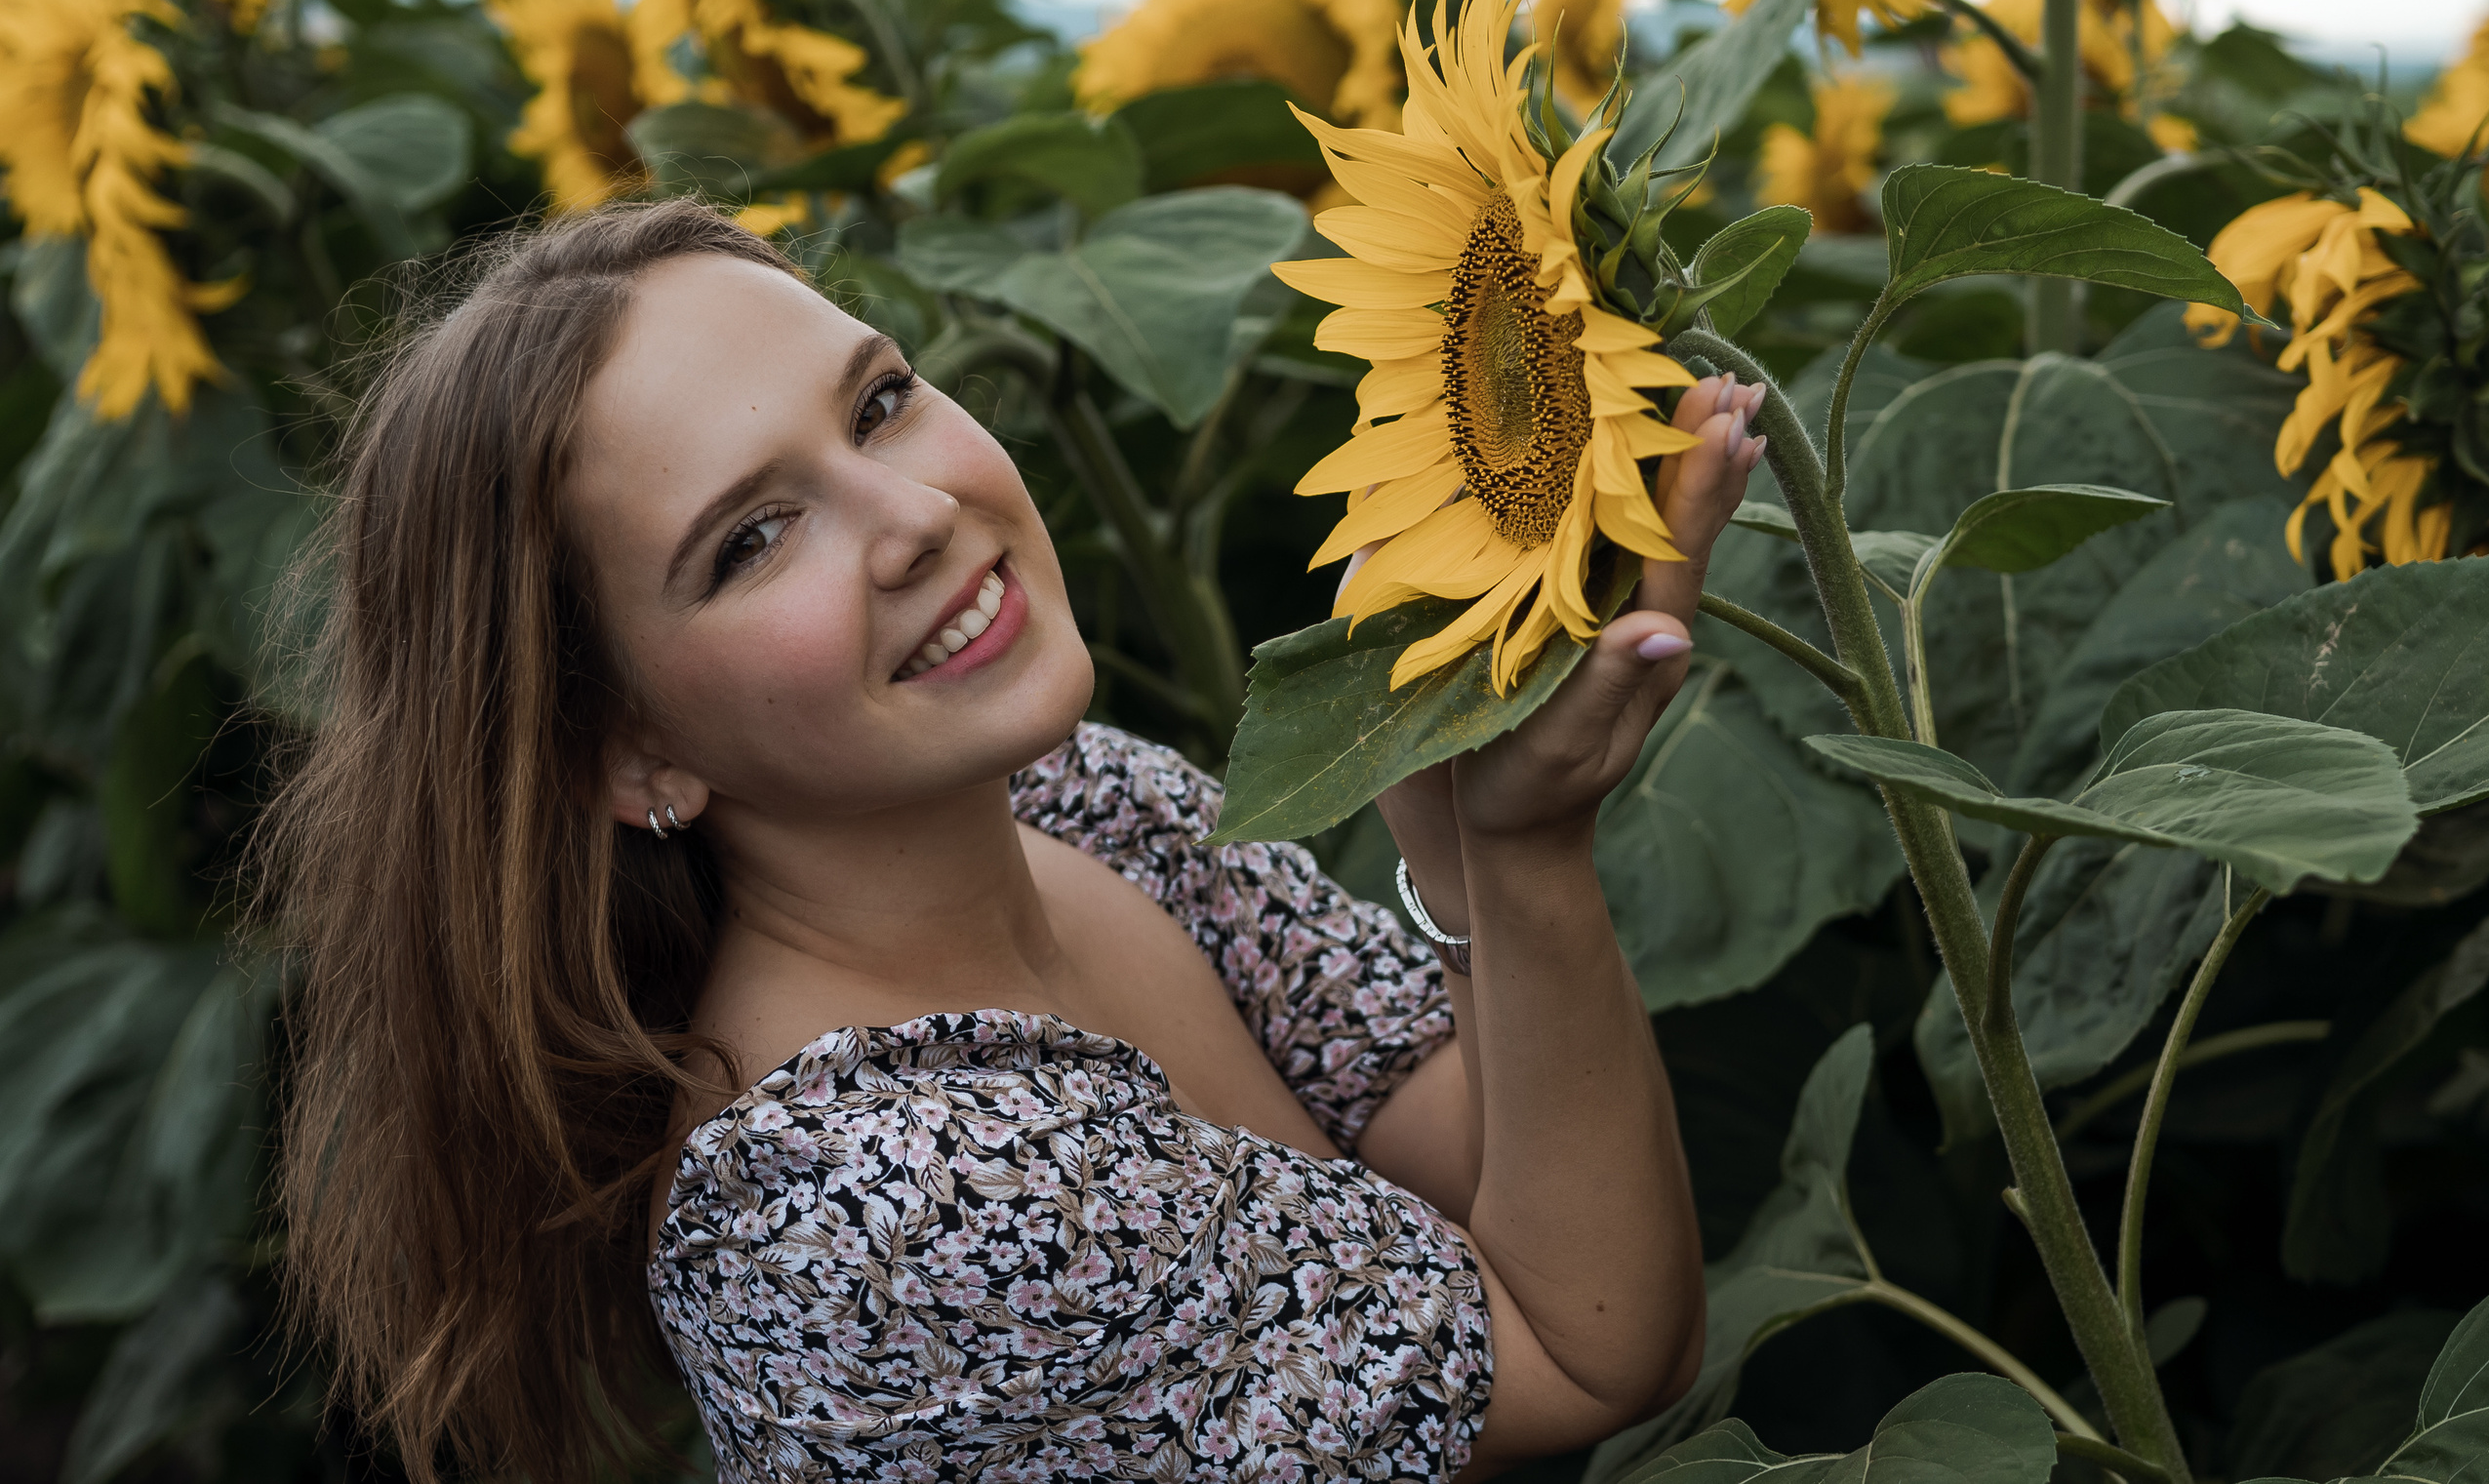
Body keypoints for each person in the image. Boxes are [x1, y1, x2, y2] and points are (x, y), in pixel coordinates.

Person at [264, 197, 1768, 1483]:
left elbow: (1487, 1178)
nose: (914, 509)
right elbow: (1583, 1352)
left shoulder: (1082, 803)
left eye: (876, 401)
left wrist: (1450, 830)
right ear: (625, 750)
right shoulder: (875, 1206)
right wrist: (1521, 856)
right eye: (752, 538)